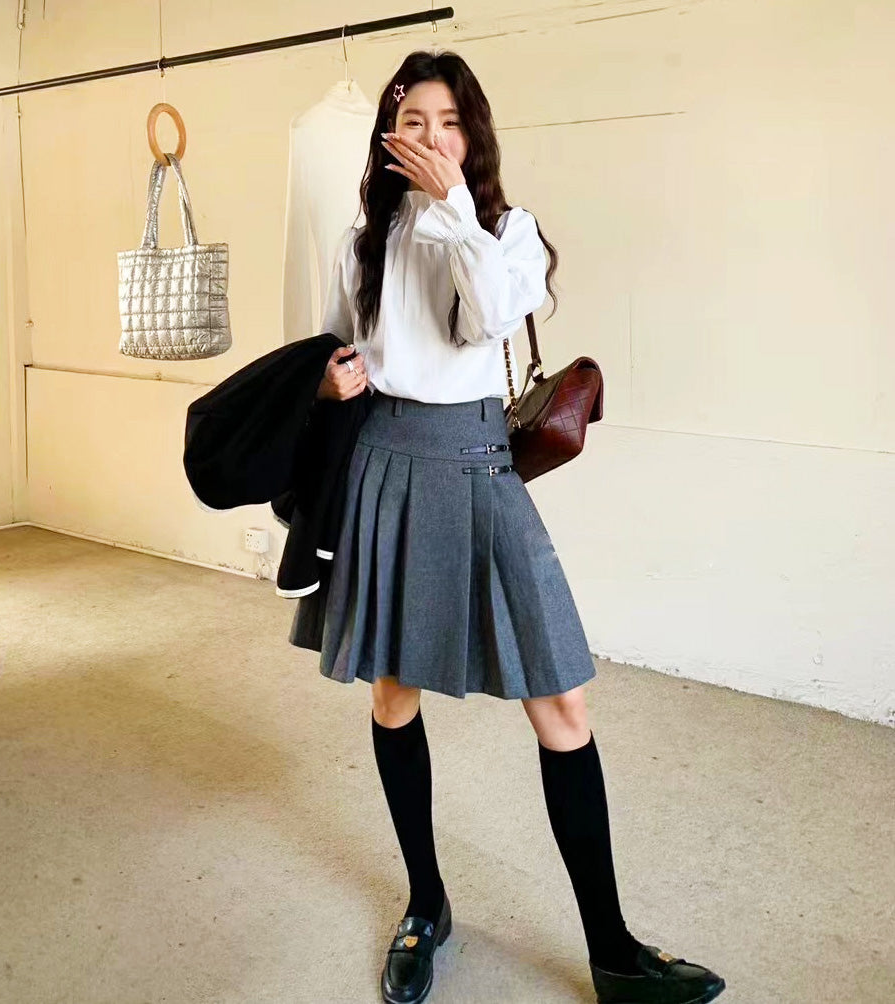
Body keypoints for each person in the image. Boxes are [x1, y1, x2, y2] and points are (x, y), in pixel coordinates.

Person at [299, 50, 725, 1004]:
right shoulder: (362, 242)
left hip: (479, 463)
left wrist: (454, 209)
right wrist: (329, 379)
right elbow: (331, 346)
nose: (431, 138)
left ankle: (613, 950)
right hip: (387, 463)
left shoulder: (506, 230)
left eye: (449, 122)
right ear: (388, 135)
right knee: (393, 697)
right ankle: (426, 903)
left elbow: (488, 319)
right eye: (413, 121)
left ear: (473, 135)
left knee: (563, 705)